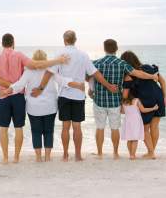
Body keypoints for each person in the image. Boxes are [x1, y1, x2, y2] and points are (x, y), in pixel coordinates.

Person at [0, 33, 69, 164]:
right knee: (18, 128)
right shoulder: (19, 55)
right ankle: (16, 158)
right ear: (13, 43)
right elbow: (36, 65)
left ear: (2, 44)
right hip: (18, 97)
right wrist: (57, 61)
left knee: (3, 129)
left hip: (3, 97)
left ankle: (5, 158)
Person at [31, 30, 118, 162]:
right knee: (77, 126)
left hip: (64, 95)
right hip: (78, 96)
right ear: (75, 40)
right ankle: (77, 155)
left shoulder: (59, 54)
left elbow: (49, 73)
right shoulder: (83, 55)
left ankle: (65, 155)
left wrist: (40, 89)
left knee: (66, 126)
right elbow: (95, 73)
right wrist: (109, 86)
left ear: (64, 40)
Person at [3, 50, 85, 162]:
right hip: (50, 106)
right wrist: (77, 85)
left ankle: (38, 157)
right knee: (49, 131)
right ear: (46, 59)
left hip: (34, 107)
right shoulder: (50, 71)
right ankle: (47, 156)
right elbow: (62, 81)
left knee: (36, 131)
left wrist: (9, 90)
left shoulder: (28, 72)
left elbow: (19, 85)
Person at [90, 39, 159, 160]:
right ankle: (115, 153)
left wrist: (91, 90)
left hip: (99, 101)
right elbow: (138, 73)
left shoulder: (96, 63)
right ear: (116, 49)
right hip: (115, 102)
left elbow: (88, 76)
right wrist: (152, 76)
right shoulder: (122, 64)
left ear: (104, 48)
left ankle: (100, 153)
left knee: (100, 127)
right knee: (115, 128)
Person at [121, 51, 166, 159]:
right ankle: (151, 152)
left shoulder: (129, 76)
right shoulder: (149, 68)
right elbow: (163, 82)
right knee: (155, 127)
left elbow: (125, 95)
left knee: (144, 129)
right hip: (158, 98)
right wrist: (164, 96)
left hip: (146, 101)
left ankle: (151, 152)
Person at [121, 91, 159, 160]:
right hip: (136, 121)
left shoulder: (123, 102)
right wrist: (153, 108)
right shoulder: (136, 100)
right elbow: (143, 110)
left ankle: (131, 154)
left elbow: (122, 112)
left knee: (129, 138)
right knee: (135, 139)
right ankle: (133, 155)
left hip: (127, 122)